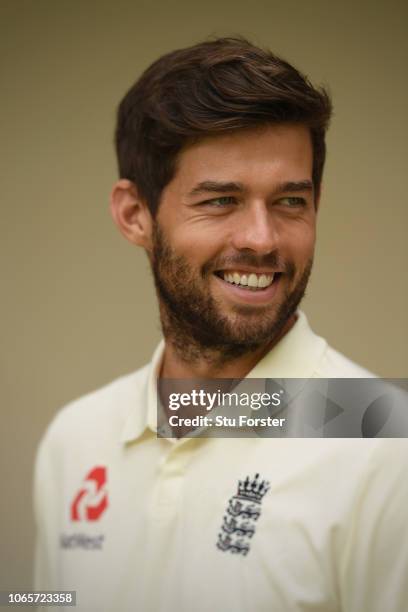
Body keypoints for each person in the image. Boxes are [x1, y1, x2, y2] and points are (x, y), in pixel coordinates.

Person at [34, 37, 408, 611]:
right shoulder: (75, 439)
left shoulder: (385, 445)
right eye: (220, 200)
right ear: (135, 215)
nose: (261, 239)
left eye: (290, 202)